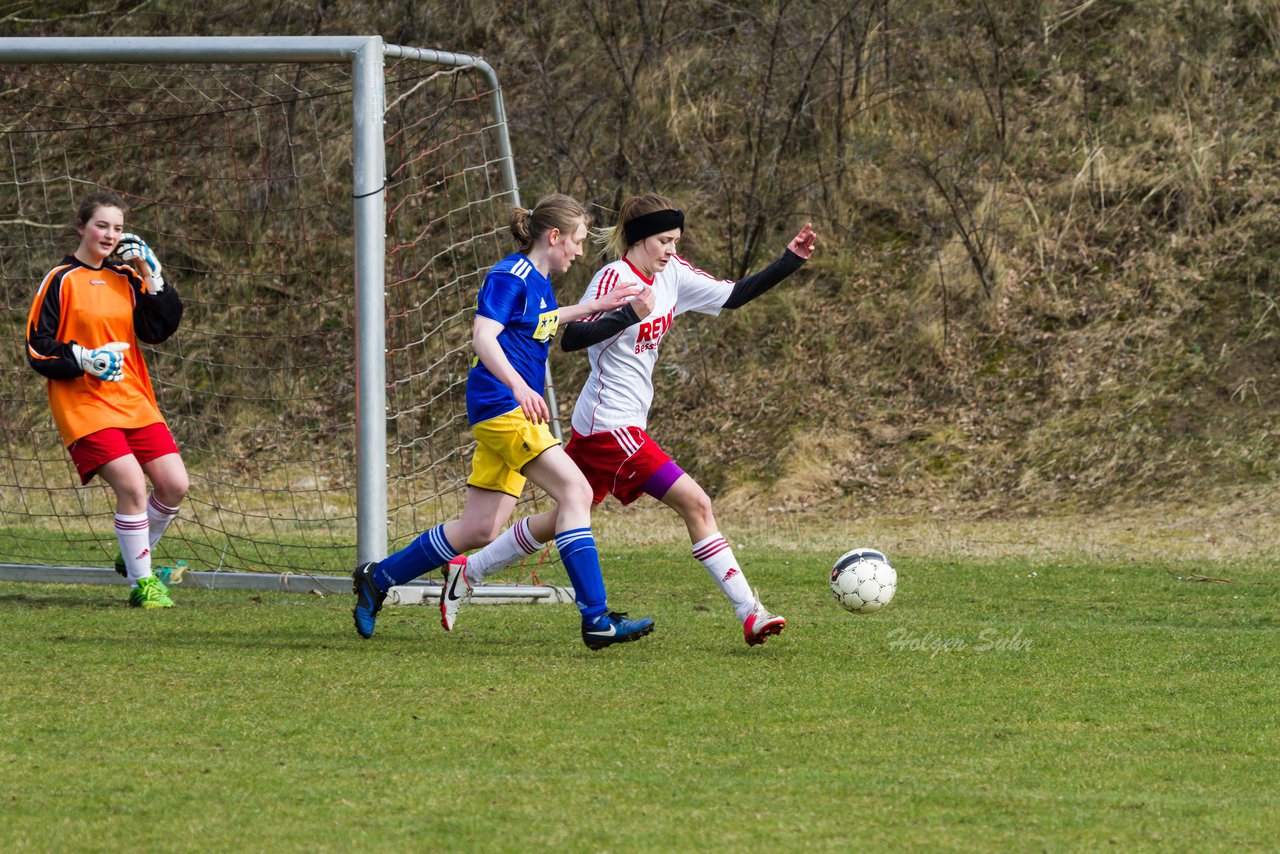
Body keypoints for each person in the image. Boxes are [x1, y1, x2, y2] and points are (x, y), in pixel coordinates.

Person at [439, 193, 816, 646]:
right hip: (611, 425)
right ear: (639, 239)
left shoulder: (673, 274)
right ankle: (750, 612)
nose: (672, 250)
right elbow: (571, 337)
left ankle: (467, 571)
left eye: (676, 241)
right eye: (663, 241)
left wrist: (788, 261)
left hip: (606, 423)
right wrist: (625, 313)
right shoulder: (613, 277)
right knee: (696, 503)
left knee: (562, 516)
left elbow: (734, 296)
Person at [353, 193, 656, 650]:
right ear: (553, 237)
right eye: (575, 241)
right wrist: (518, 385)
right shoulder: (509, 276)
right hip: (504, 408)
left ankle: (379, 578)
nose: (578, 251)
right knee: (576, 491)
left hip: (506, 411)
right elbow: (483, 337)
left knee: (479, 529)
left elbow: (544, 321)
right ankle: (596, 618)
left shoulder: (538, 282)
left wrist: (598, 306)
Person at [26, 191, 188, 609]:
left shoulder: (126, 279)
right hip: (83, 403)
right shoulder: (60, 279)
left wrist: (153, 272)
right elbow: (37, 348)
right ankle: (144, 584)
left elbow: (159, 327)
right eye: (101, 225)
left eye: (117, 228)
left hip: (133, 399)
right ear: (81, 227)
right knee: (132, 486)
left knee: (174, 484)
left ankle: (135, 553)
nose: (110, 234)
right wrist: (83, 359)